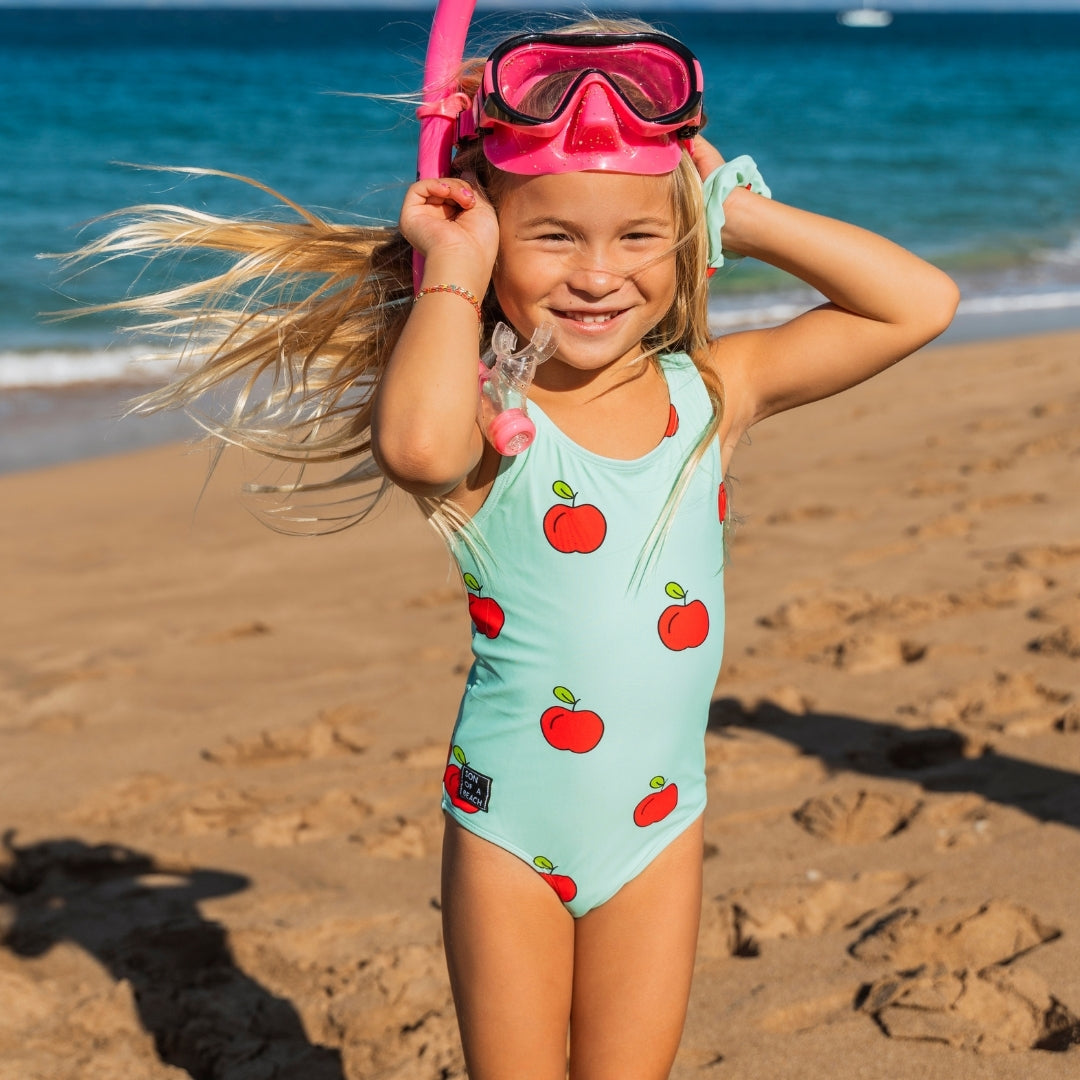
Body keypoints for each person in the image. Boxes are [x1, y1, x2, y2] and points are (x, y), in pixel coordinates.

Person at [71, 15, 958, 1079]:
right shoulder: (490, 418)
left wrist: (743, 217)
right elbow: (412, 445)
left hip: (660, 829)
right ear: (495, 237)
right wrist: (452, 262)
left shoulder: (713, 394)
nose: (598, 274)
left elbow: (920, 303)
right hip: (510, 833)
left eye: (638, 236)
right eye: (552, 238)